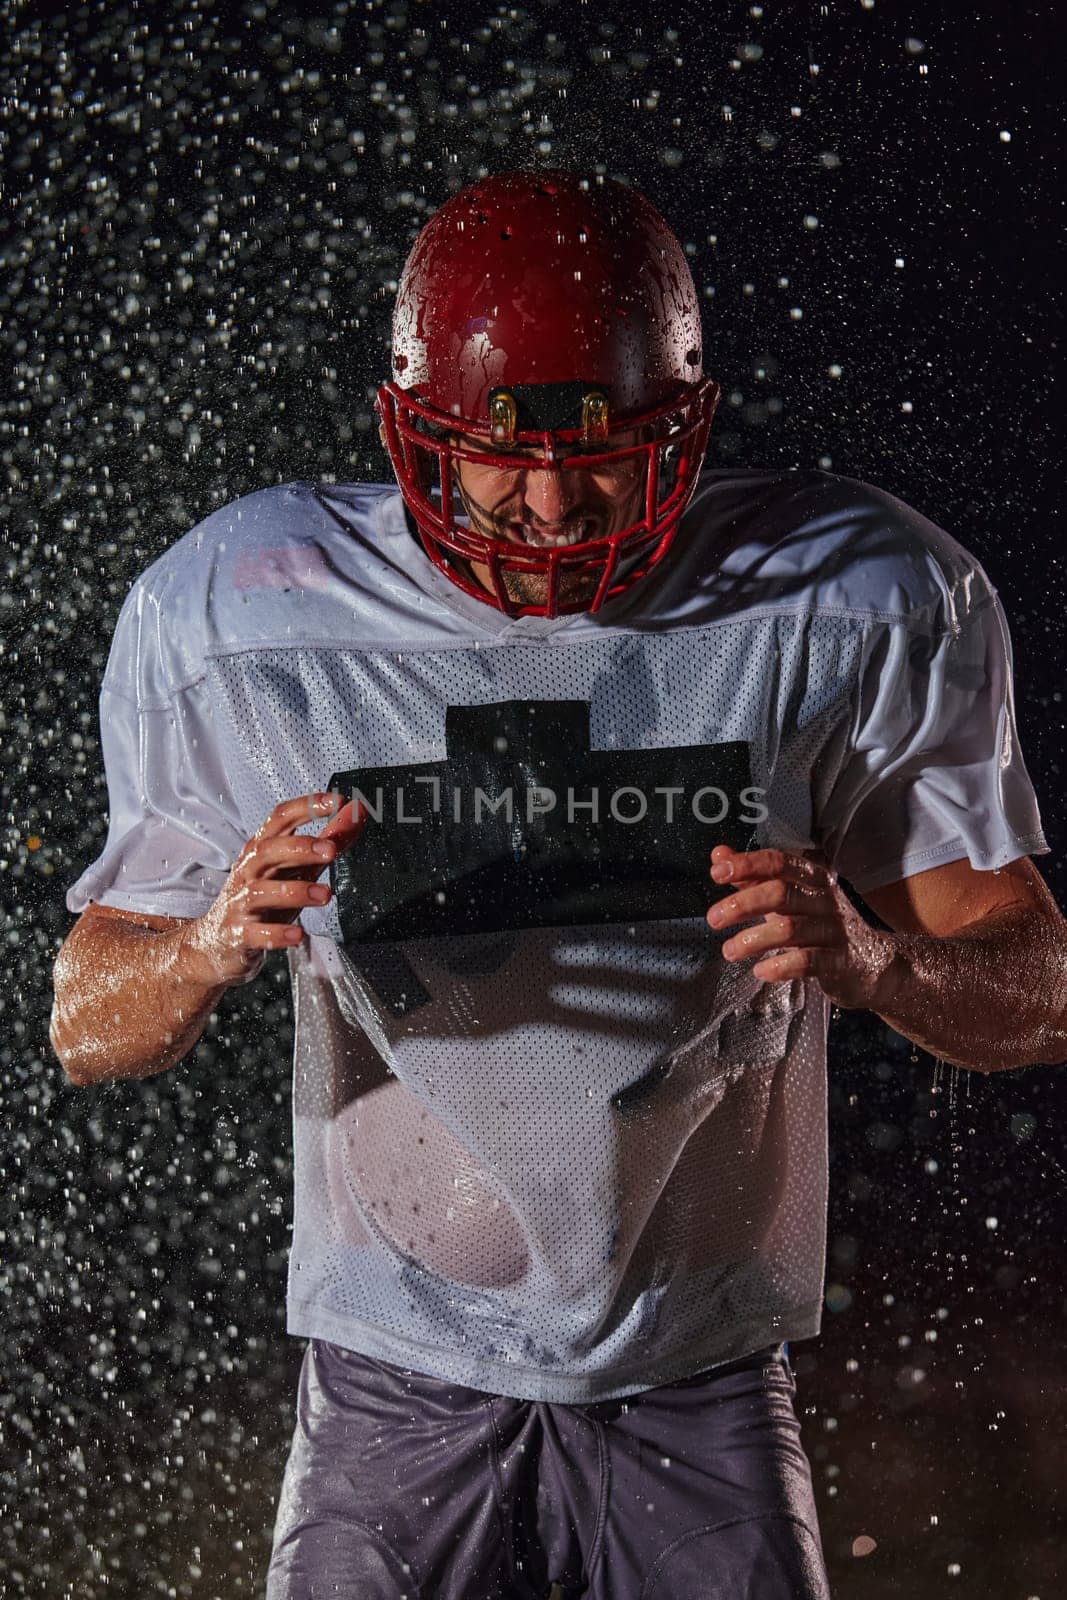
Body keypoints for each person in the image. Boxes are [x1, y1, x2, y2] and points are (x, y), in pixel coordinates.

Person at [51, 170, 1067, 1600]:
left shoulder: (854, 598)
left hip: (698, 1368)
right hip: (391, 1371)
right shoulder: (242, 614)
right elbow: (85, 1026)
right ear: (413, 432)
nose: (547, 505)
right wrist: (207, 942)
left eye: (602, 452)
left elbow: (1040, 992)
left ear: (686, 426)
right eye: (496, 457)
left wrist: (882, 964)